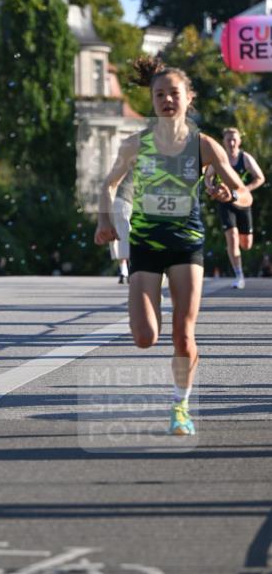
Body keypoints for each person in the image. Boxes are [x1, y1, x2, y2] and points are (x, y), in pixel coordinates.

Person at [94, 56, 252, 436]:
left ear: (188, 98)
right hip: (146, 245)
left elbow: (245, 195)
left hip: (186, 245)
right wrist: (104, 221)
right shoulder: (136, 143)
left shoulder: (204, 145)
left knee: (183, 333)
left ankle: (180, 404)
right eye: (159, 94)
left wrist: (228, 195)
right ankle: (150, 309)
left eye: (174, 94)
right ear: (152, 100)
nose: (167, 100)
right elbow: (109, 185)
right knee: (145, 337)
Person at [204, 128, 265, 290]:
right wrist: (210, 188)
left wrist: (245, 190)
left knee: (246, 244)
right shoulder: (219, 159)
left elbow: (260, 178)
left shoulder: (244, 158)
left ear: (239, 141)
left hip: (243, 203)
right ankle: (239, 275)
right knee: (232, 237)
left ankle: (240, 247)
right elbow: (207, 176)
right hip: (225, 202)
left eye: (234, 139)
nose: (231, 143)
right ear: (223, 142)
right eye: (228, 139)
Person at [109, 169, 133, 284]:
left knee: (121, 236)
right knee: (124, 237)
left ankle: (124, 270)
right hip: (124, 201)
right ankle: (126, 270)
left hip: (121, 202)